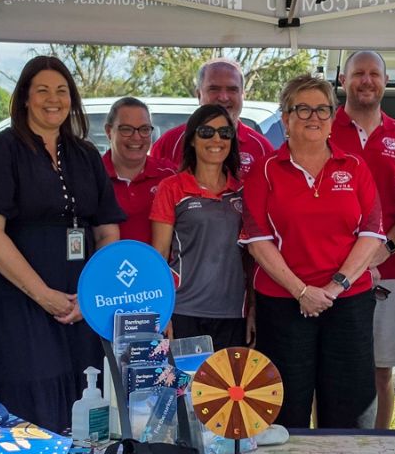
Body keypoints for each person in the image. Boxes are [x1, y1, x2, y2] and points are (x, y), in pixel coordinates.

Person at [0, 56, 124, 434]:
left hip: (78, 303)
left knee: (84, 401)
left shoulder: (85, 155)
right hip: (14, 301)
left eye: (62, 91)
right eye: (43, 91)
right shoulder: (0, 151)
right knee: (29, 406)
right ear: (25, 99)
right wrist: (43, 295)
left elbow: (107, 232)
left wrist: (92, 295)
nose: (54, 100)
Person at [241, 74, 385, 429]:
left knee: (349, 405)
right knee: (286, 406)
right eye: (302, 109)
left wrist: (335, 287)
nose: (313, 117)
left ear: (333, 118)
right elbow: (258, 242)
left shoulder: (354, 167)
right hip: (284, 302)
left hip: (347, 301)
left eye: (322, 109)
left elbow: (371, 233)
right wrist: (301, 292)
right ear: (285, 118)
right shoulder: (265, 171)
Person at [331, 50, 395, 429]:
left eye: (374, 74)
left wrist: (381, 249)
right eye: (358, 74)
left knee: (381, 370)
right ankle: (325, 447)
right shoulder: (323, 128)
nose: (366, 81)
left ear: (386, 81)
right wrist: (348, 264)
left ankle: (379, 449)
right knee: (331, 371)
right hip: (329, 273)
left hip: (388, 269)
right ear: (343, 80)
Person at [150, 104, 249, 349]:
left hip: (233, 313)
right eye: (206, 132)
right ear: (192, 139)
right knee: (185, 388)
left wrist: (252, 310)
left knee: (226, 388)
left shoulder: (243, 191)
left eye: (225, 133)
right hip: (184, 311)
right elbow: (159, 255)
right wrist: (162, 313)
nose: (217, 139)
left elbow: (252, 258)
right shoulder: (171, 188)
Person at [149, 58, 274, 178]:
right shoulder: (170, 143)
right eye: (214, 89)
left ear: (243, 95)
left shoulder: (262, 148)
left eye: (232, 89)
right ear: (199, 94)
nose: (224, 97)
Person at [102, 97, 176, 244]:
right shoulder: (91, 176)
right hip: (106, 266)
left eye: (144, 129)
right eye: (126, 130)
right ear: (109, 131)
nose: (137, 137)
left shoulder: (169, 176)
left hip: (157, 266)